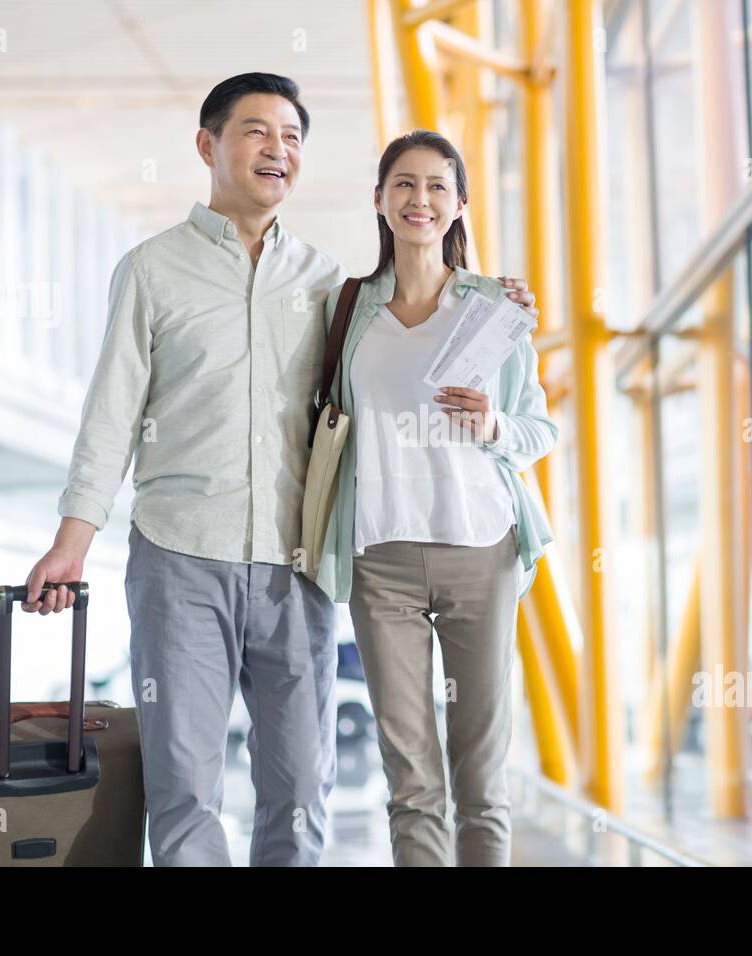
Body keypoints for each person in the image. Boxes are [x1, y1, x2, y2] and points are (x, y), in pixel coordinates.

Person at [20, 75, 538, 867]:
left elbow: (420, 327)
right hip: (181, 554)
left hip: (298, 566)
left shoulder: (332, 286)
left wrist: (491, 299)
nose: (278, 150)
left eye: (293, 137)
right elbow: (110, 417)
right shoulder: (152, 271)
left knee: (300, 787)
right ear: (208, 146)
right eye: (257, 132)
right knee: (187, 785)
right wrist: (73, 540)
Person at [313, 130, 557, 866]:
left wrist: (492, 425)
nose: (420, 200)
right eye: (405, 185)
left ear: (459, 207)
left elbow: (539, 429)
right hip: (379, 559)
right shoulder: (347, 308)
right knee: (410, 778)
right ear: (381, 200)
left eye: (437, 187)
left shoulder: (495, 308)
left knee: (481, 776)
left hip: (480, 552)